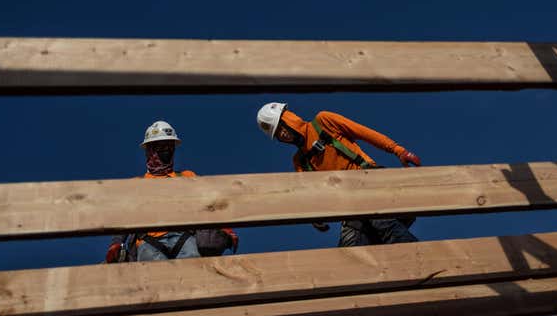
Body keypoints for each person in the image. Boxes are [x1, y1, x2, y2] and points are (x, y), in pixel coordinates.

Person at [256, 103, 421, 247]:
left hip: (371, 182)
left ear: (289, 118)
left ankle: (425, 259)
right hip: (351, 208)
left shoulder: (323, 121)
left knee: (384, 225)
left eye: (281, 127)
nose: (282, 134)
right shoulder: (300, 161)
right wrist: (315, 217)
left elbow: (364, 132)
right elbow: (312, 196)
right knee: (351, 251)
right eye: (277, 134)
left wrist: (398, 150)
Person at [105, 121, 238, 263]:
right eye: (160, 146)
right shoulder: (137, 184)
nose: (165, 150)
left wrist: (226, 229)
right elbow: (126, 216)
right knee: (155, 284)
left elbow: (210, 204)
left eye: (169, 146)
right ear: (149, 150)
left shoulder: (188, 176)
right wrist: (116, 243)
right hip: (148, 242)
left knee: (194, 280)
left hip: (185, 238)